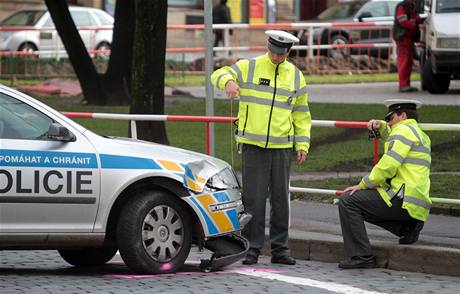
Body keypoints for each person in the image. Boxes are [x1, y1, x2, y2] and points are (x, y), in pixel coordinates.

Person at [211, 30, 311, 265]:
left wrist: (302, 144)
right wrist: (229, 81)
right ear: (268, 47)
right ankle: (251, 249)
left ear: (288, 52)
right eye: (272, 52)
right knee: (254, 200)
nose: (275, 57)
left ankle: (280, 250)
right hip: (253, 146)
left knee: (280, 200)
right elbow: (218, 73)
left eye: (280, 54)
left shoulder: (296, 76)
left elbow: (302, 114)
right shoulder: (249, 66)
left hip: (282, 146)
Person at [338, 99, 431, 269]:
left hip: (402, 199)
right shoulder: (418, 133)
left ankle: (361, 256)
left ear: (402, 116)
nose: (388, 122)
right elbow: (394, 141)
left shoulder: (402, 131)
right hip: (416, 203)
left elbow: (388, 164)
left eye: (390, 118)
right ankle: (407, 227)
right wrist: (381, 126)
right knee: (362, 205)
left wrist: (363, 184)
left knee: (348, 201)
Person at [393, 0, 423, 92]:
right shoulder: (403, 6)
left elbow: (414, 18)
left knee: (408, 62)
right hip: (403, 38)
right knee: (404, 62)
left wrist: (420, 20)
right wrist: (414, 26)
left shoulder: (410, 6)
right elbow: (403, 21)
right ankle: (403, 85)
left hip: (407, 38)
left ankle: (406, 85)